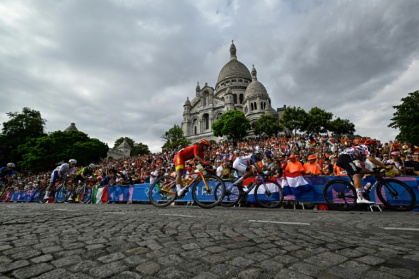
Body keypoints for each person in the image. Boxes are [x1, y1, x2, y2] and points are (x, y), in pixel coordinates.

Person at [336, 139, 392, 204]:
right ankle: (360, 198)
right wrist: (384, 166)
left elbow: (363, 168)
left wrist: (372, 172)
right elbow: (371, 159)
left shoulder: (361, 154)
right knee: (356, 174)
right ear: (371, 146)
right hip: (344, 157)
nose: (375, 149)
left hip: (345, 158)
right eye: (374, 147)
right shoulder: (366, 147)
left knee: (360, 173)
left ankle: (352, 185)